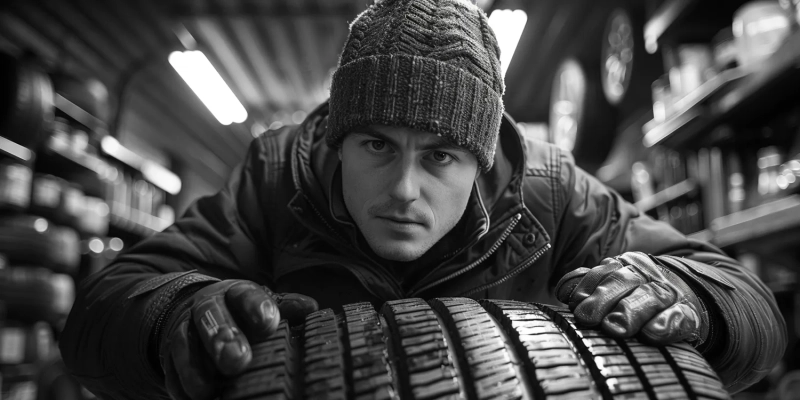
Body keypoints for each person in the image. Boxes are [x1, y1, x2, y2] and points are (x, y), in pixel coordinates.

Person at [59, 0, 786, 399]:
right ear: (338, 139)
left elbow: (748, 301)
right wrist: (178, 316)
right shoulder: (279, 173)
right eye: (376, 145)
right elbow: (103, 307)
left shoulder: (551, 190)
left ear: (481, 159)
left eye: (440, 155)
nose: (404, 189)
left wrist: (686, 293)